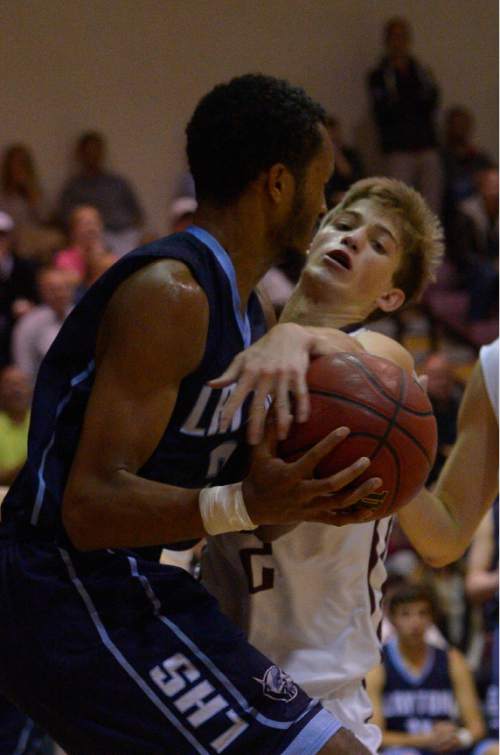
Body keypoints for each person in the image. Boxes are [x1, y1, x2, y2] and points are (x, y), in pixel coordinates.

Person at [0, 73, 383, 755]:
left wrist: (315, 495)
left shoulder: (251, 311)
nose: (324, 205)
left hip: (127, 584)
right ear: (277, 183)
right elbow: (88, 506)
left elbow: (251, 494)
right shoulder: (170, 295)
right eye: (321, 184)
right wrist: (246, 501)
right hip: (56, 587)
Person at [203, 180, 499, 752]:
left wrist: (293, 333)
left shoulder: (380, 363)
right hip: (220, 664)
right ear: (315, 235)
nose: (353, 238)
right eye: (345, 224)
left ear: (390, 297)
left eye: (379, 244)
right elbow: (440, 534)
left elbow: (368, 367)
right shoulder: (239, 347)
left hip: (319, 686)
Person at [366, 584, 487, 754]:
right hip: (403, 749)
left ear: (432, 618)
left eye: (422, 613)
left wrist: (459, 738)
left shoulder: (452, 659)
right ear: (392, 619)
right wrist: (425, 740)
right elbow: (375, 735)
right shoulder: (378, 663)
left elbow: (477, 727)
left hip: (447, 747)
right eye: (406, 614)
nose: (415, 622)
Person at [367, 17, 442, 214]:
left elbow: (432, 102)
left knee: (430, 207)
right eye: (394, 37)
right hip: (399, 148)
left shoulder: (421, 72)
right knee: (398, 205)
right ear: (387, 40)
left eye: (403, 36)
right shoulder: (380, 75)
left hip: (426, 145)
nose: (399, 41)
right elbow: (383, 110)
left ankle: (428, 245)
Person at [57, 131, 144, 257]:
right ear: (81, 154)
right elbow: (66, 217)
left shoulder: (118, 182)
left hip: (127, 233)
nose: (92, 155)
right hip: (99, 236)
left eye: (96, 150)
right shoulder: (74, 187)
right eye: (88, 151)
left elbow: (138, 214)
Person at [12, 267, 75, 384]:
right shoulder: (28, 323)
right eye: (53, 289)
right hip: (43, 388)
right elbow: (24, 367)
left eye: (64, 288)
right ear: (41, 291)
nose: (60, 294)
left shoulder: (81, 316)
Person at [0, 210, 39, 366]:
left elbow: (36, 296)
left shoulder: (25, 266)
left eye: (2, 235)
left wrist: (29, 305)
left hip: (20, 324)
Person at [54, 204, 117, 297]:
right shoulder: (64, 257)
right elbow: (72, 283)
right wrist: (92, 258)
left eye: (95, 223)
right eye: (85, 224)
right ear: (72, 230)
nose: (91, 229)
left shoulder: (109, 255)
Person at [0, 365, 31, 486]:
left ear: (31, 389)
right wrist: (28, 465)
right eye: (9, 385)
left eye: (21, 384)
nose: (16, 390)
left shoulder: (44, 422)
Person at [323, 115, 364, 208]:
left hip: (351, 199)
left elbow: (359, 178)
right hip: (328, 204)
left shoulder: (351, 154)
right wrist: (332, 197)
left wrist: (339, 157)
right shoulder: (319, 159)